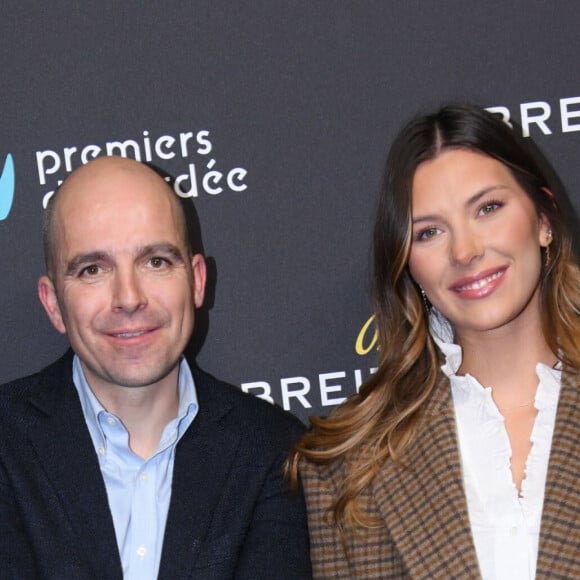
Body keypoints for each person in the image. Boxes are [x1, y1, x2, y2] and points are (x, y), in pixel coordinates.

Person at [288, 104, 580, 578]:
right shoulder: (348, 465)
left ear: (544, 218)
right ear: (406, 263)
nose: (465, 251)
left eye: (488, 208)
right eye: (429, 232)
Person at [0, 156, 312, 579]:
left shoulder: (272, 450)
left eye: (156, 262)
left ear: (197, 281)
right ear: (54, 303)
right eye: (93, 269)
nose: (129, 297)